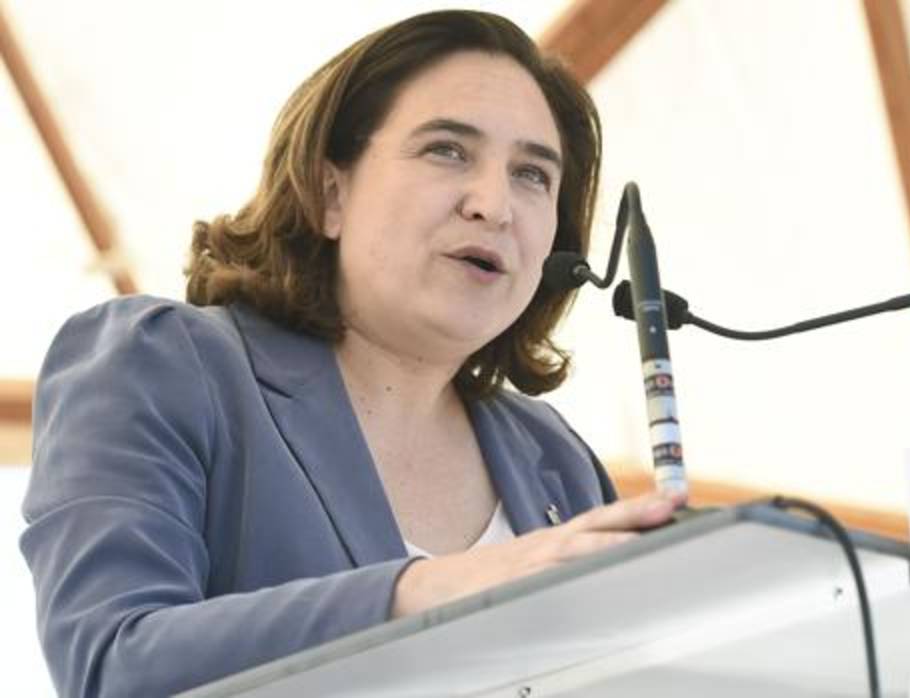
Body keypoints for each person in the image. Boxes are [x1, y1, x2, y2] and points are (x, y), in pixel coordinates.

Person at [20, 10, 682, 697]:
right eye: (447, 150)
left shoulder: (556, 459)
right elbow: (112, 665)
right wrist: (431, 591)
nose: (495, 204)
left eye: (533, 175)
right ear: (329, 193)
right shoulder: (164, 362)